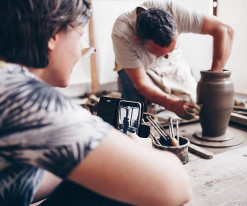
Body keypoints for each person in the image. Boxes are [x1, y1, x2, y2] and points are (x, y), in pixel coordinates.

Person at [0, 0, 192, 206]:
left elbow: (15, 183)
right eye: (80, 37)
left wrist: (92, 160)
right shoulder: (22, 99)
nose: (79, 54)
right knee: (132, 184)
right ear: (54, 35)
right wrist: (135, 147)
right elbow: (176, 186)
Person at [112, 0, 234, 120]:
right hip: (140, 69)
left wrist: (214, 79)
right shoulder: (121, 33)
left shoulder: (173, 10)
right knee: (135, 116)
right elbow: (142, 84)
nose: (166, 55)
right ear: (138, 40)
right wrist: (171, 104)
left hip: (173, 63)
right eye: (162, 53)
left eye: (170, 49)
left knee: (194, 105)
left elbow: (225, 30)